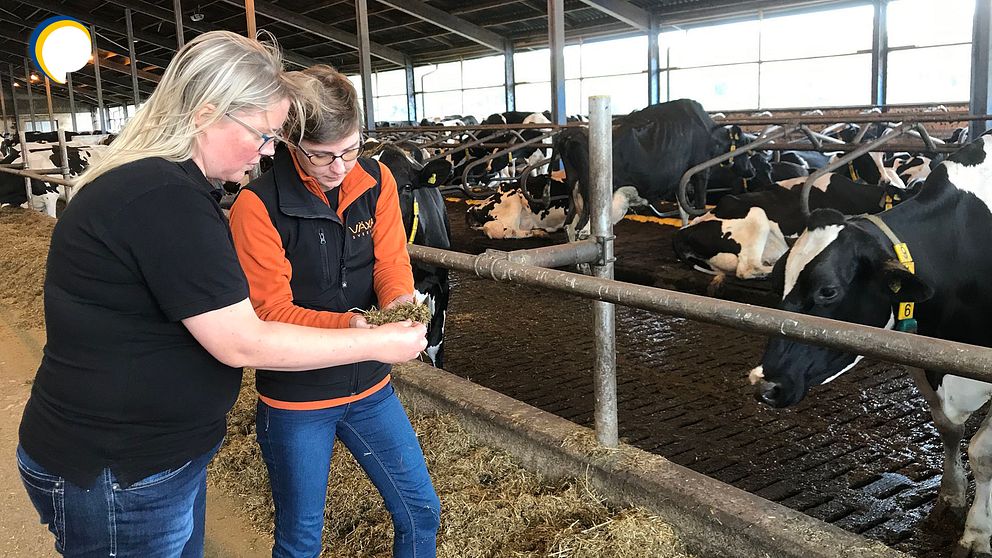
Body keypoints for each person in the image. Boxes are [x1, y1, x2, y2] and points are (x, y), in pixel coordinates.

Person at [16, 32, 427, 558]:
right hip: (121, 469)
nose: (269, 151)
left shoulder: (168, 188)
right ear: (207, 113)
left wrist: (388, 314)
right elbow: (242, 340)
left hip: (149, 461)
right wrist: (372, 340)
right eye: (264, 134)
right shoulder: (164, 197)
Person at [227, 64, 440, 558]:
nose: (341, 167)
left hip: (371, 388)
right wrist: (358, 327)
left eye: (350, 148)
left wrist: (399, 303)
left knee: (420, 510)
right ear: (288, 141)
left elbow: (390, 262)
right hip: (297, 400)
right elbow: (270, 312)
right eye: (322, 156)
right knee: (302, 540)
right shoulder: (257, 207)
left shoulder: (377, 180)